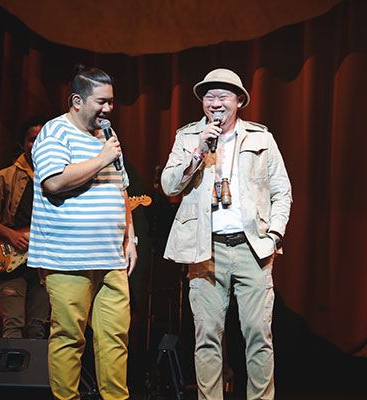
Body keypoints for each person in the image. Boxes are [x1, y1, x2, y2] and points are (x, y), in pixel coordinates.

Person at [161, 68, 292, 400]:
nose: (215, 103)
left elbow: (282, 191)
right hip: (204, 250)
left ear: (239, 101)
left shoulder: (261, 138)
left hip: (252, 248)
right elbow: (169, 186)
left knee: (258, 337)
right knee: (206, 338)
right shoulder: (188, 137)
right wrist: (198, 152)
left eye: (223, 96)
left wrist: (274, 235)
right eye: (209, 96)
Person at [28, 65, 137, 400]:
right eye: (101, 102)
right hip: (68, 258)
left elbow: (121, 189)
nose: (108, 109)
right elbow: (54, 181)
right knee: (69, 338)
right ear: (77, 101)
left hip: (111, 257)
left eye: (111, 102)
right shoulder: (55, 132)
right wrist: (102, 159)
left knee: (115, 339)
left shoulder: (107, 136)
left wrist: (130, 237)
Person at [0, 116, 49, 339]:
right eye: (32, 139)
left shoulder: (58, 179)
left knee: (37, 328)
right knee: (12, 325)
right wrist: (11, 235)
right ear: (22, 143)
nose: (37, 144)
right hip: (10, 260)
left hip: (43, 262)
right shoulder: (4, 178)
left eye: (42, 139)